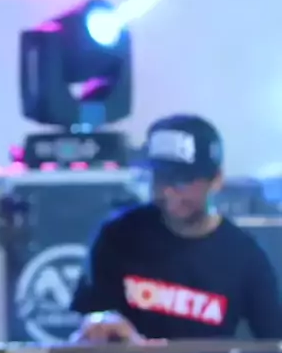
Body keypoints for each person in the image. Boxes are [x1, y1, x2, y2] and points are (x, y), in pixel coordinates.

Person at [71, 114, 282, 341]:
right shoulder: (118, 235)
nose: (168, 192)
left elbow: (274, 340)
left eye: (182, 180)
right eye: (160, 178)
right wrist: (101, 324)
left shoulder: (244, 255)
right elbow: (88, 323)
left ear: (216, 180)